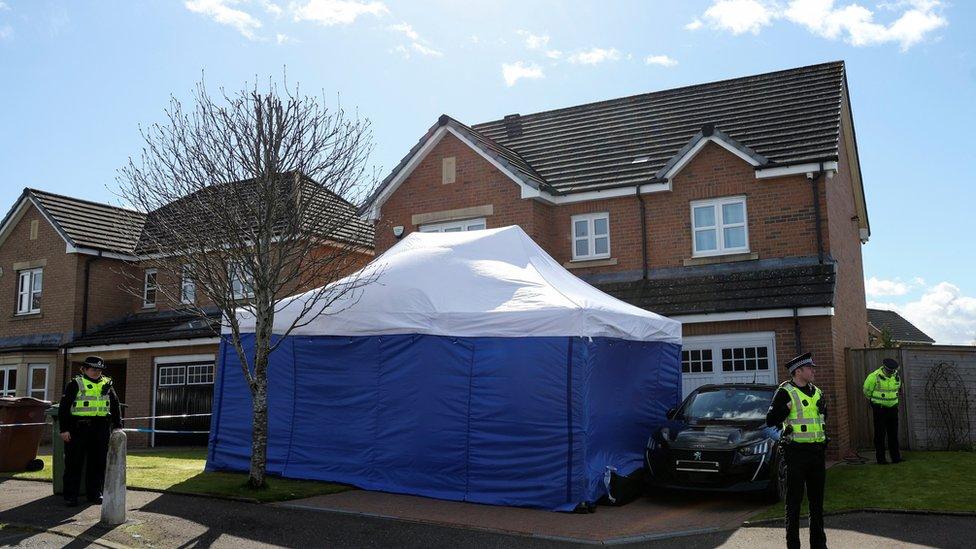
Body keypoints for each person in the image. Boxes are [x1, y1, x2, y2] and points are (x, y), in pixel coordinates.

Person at [766, 352, 828, 549]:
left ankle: (819, 545)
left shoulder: (817, 392)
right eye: (810, 368)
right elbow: (770, 421)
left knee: (817, 503)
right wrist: (785, 409)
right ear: (798, 371)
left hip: (817, 453)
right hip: (796, 454)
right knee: (793, 503)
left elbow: (822, 418)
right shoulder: (785, 392)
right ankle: (793, 545)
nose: (813, 371)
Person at [58, 356, 123, 507]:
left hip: (100, 428)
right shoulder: (75, 384)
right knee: (74, 463)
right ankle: (70, 496)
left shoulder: (107, 384)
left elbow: (115, 405)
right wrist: (64, 429)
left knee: (98, 462)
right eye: (93, 369)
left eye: (99, 370)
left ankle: (94, 494)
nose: (96, 372)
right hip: (78, 428)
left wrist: (117, 425)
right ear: (85, 369)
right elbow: (64, 408)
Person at [863, 357, 902, 465]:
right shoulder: (873, 377)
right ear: (885, 368)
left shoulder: (896, 377)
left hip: (893, 409)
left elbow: (897, 389)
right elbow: (866, 391)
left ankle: (896, 458)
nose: (891, 373)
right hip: (880, 410)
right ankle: (881, 459)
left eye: (893, 371)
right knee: (880, 435)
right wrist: (875, 402)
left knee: (893, 435)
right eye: (890, 371)